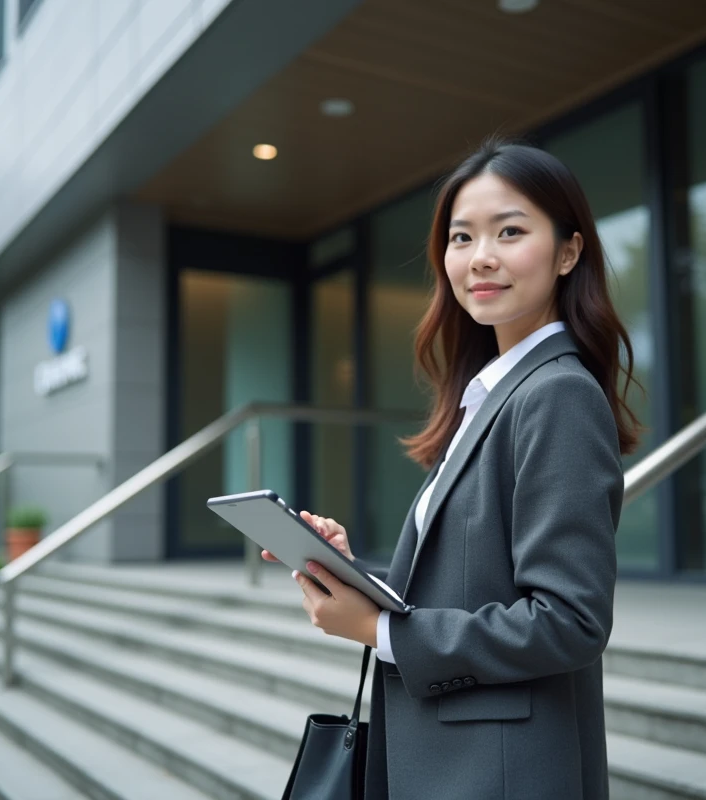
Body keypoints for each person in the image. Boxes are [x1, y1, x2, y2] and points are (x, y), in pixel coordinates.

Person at [263, 137, 641, 799]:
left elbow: (568, 621)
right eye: (462, 237)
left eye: (510, 231)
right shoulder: (490, 396)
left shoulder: (557, 394)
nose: (481, 256)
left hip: (498, 772)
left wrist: (379, 629)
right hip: (457, 759)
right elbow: (470, 581)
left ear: (569, 252)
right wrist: (355, 576)